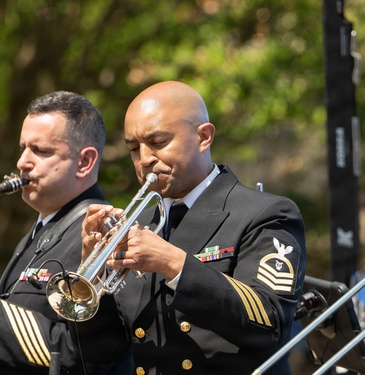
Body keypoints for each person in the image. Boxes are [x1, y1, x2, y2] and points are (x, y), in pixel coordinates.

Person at [75, 81, 307, 375]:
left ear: (203, 137)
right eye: (134, 148)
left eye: (158, 142)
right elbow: (102, 354)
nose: (145, 159)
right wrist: (90, 275)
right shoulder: (141, 224)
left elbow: (270, 321)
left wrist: (173, 263)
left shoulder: (266, 213)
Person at [0, 91, 131, 374]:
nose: (23, 162)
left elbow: (86, 353)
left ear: (84, 162)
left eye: (41, 151)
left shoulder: (103, 234)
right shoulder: (41, 229)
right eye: (23, 148)